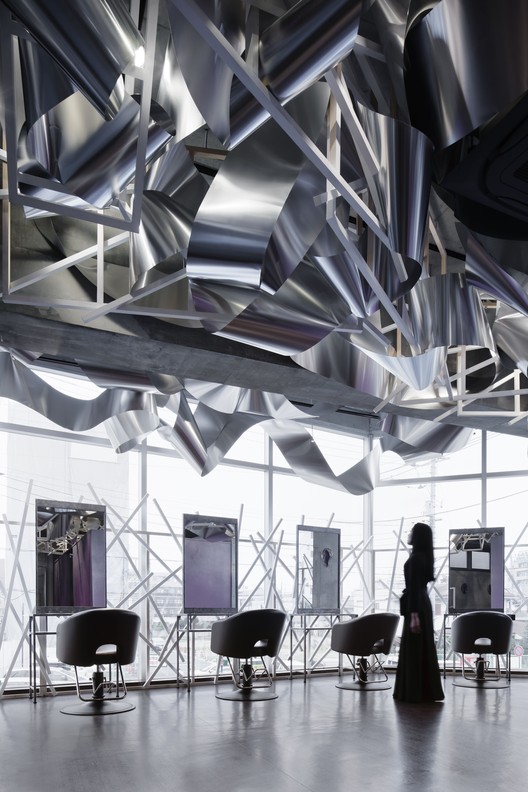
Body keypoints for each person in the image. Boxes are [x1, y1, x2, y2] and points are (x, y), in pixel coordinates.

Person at [393, 521, 444, 703]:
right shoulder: (424, 557)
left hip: (416, 606)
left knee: (414, 650)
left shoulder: (416, 559)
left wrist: (414, 616)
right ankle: (426, 691)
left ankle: (413, 692)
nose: (409, 533)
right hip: (422, 603)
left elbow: (413, 587)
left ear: (418, 536)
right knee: (423, 648)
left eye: (412, 531)